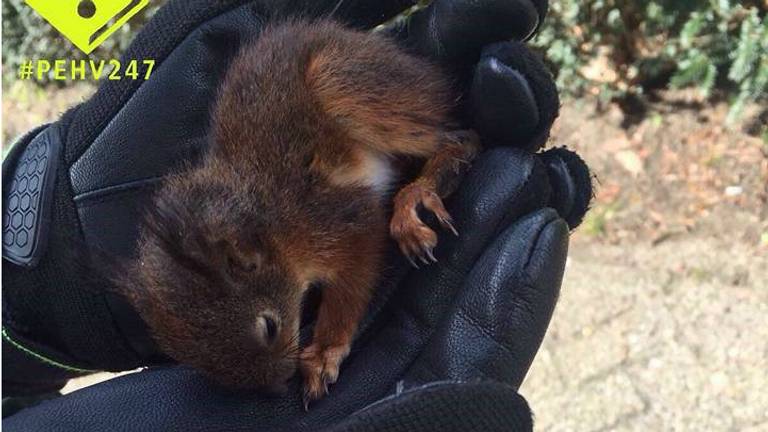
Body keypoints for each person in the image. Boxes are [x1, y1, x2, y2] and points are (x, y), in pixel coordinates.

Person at [1, 0, 592, 430]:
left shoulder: (289, 232)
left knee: (336, 85)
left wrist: (331, 343)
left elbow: (356, 249)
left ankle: (446, 154)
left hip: (350, 102)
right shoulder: (248, 257)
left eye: (270, 329)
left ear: (248, 257)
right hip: (344, 161)